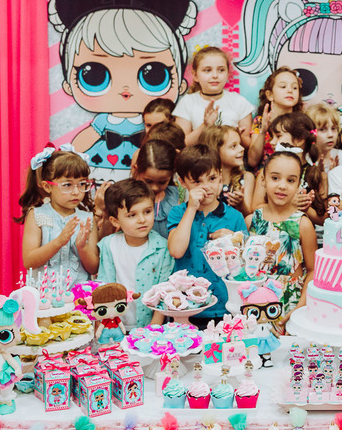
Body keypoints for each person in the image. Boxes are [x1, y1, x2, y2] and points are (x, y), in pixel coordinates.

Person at [51, 0, 196, 181]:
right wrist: (67, 161)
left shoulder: (152, 122)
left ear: (181, 83)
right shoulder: (104, 122)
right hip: (102, 168)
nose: (125, 89)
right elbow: (85, 140)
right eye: (94, 75)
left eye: (154, 75)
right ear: (69, 83)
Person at [167, 144, 248, 322]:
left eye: (212, 178)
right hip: (185, 308)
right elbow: (176, 251)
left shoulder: (234, 217)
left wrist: (233, 242)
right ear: (182, 182)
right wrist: (191, 208)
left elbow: (245, 266)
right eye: (197, 182)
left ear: (220, 176)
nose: (206, 187)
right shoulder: (178, 213)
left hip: (225, 307)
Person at [94, 179, 173, 328]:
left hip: (152, 327)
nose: (142, 220)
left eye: (147, 212)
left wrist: (153, 328)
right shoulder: (109, 245)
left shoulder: (162, 247)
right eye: (132, 215)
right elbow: (105, 286)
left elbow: (164, 291)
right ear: (115, 221)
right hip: (116, 325)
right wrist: (109, 326)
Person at [247, 151, 317, 315]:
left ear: (299, 184)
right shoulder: (252, 221)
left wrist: (299, 307)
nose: (282, 186)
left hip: (291, 305)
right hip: (256, 305)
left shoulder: (303, 224)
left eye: (290, 180)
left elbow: (313, 271)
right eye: (275, 178)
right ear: (263, 180)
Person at [17, 145, 96, 288]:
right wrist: (59, 241)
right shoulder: (37, 215)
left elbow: (93, 268)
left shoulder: (87, 219)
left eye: (82, 184)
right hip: (43, 295)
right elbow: (29, 261)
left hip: (78, 295)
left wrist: (82, 247)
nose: (76, 191)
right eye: (67, 185)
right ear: (48, 187)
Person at [174, 46, 254, 146]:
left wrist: (237, 136)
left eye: (221, 70)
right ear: (195, 75)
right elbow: (182, 145)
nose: (215, 75)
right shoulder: (187, 102)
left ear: (228, 74)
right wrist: (205, 125)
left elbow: (248, 146)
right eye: (207, 70)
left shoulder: (240, 102)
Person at [244, 67, 303, 169]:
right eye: (283, 86)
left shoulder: (301, 122)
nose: (290, 91)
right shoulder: (260, 121)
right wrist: (263, 131)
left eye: (294, 88)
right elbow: (252, 161)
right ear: (270, 95)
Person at [198, 124, 253, 218]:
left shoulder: (247, 177)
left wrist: (241, 204)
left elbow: (249, 216)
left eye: (240, 144)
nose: (242, 148)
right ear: (216, 151)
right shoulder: (201, 180)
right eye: (234, 146)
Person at [130, 140, 181, 240]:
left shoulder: (176, 197)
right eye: (148, 181)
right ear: (136, 169)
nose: (155, 188)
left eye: (162, 182)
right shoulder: (126, 196)